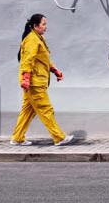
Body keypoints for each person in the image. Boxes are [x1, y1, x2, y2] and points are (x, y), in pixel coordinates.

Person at [10, 14, 74, 146]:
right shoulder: (32, 40)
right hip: (34, 82)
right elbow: (28, 60)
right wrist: (26, 78)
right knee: (46, 109)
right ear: (35, 26)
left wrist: (55, 70)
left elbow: (43, 60)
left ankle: (17, 138)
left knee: (28, 110)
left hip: (36, 81)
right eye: (43, 24)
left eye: (45, 24)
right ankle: (59, 137)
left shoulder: (38, 38)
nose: (46, 27)